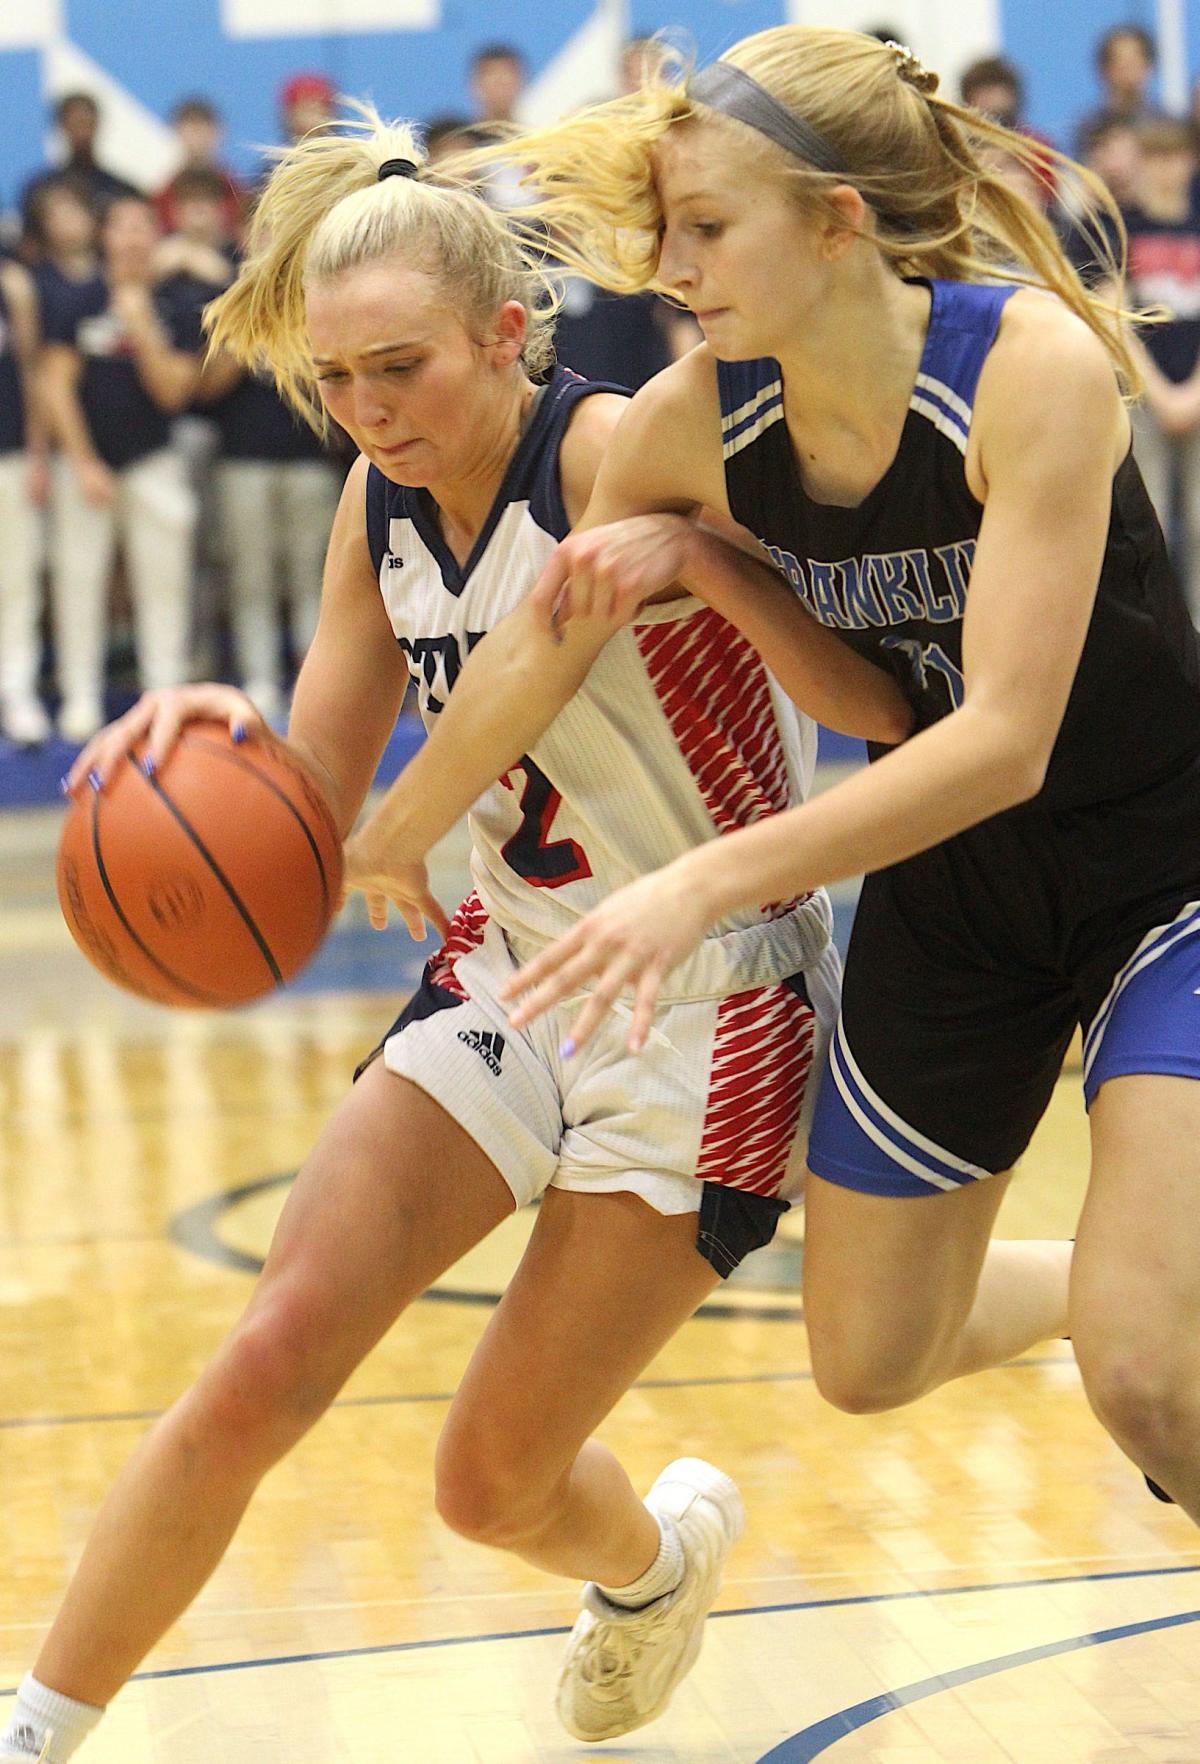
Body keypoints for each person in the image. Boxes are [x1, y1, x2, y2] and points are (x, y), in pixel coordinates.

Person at [1, 110, 912, 1763]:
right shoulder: (377, 501)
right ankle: (36, 1724)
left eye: (401, 369)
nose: (370, 412)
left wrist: (710, 558)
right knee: (270, 1351)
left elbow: (874, 708)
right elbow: (327, 818)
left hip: (708, 1013)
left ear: (507, 332)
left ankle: (650, 1564)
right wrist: (220, 746)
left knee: (485, 1481)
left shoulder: (624, 448)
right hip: (506, 969)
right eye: (339, 382)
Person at [452, 28, 1200, 1522]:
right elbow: (545, 634)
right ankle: (1130, 1285)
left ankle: (1147, 1311)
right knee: (869, 1357)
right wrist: (370, 825)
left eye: (709, 227)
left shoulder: (1026, 365)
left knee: (1149, 1378)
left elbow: (1002, 742)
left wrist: (706, 881)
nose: (671, 264)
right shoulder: (696, 417)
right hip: (957, 898)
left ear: (837, 220)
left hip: (1157, 872)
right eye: (665, 229)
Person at [39, 192, 204, 742]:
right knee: (78, 581)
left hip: (153, 460)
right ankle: (80, 697)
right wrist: (83, 462)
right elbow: (55, 385)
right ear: (104, 236)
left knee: (164, 583)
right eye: (122, 227)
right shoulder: (77, 299)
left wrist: (140, 322)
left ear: (156, 239)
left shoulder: (177, 304)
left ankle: (164, 692)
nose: (133, 238)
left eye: (144, 228)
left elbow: (175, 391)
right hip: (86, 464)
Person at [1112, 117, 1200, 624]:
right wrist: (1162, 396)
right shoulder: (1123, 228)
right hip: (1145, 399)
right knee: (1152, 524)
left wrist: (1191, 394)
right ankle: (1164, 636)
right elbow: (1114, 316)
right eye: (1154, 157)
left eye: (1175, 156)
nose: (1166, 169)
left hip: (1194, 391)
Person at [0, 255, 50, 744]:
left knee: (17, 581)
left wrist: (38, 452)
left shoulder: (13, 282)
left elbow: (32, 371)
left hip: (10, 456)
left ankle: (17, 691)